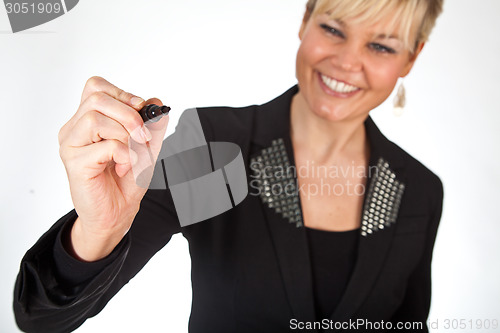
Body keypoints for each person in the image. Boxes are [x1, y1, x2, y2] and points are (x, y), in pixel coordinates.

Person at [13, 0, 444, 332]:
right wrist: (100, 230)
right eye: (333, 29)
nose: (348, 63)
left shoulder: (419, 191)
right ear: (305, 20)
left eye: (381, 45)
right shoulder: (221, 145)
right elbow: (41, 319)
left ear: (411, 57)